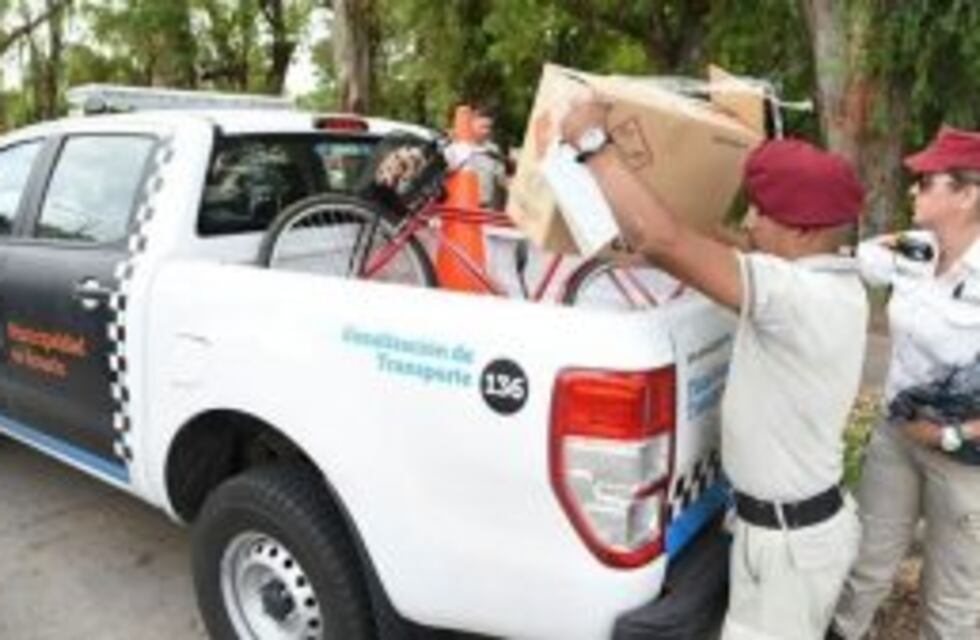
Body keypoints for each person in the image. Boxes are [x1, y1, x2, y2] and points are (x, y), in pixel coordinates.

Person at [560, 99, 867, 640]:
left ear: (801, 233)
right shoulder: (831, 282)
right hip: (781, 534)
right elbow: (705, 244)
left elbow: (667, 241)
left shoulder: (799, 295)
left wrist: (594, 147)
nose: (749, 221)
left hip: (788, 549)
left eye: (762, 212)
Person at [828, 126, 980, 640]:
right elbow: (834, 258)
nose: (913, 190)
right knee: (864, 563)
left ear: (966, 194)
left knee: (952, 597)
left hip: (965, 459)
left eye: (927, 182)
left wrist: (949, 437)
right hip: (896, 438)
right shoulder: (911, 249)